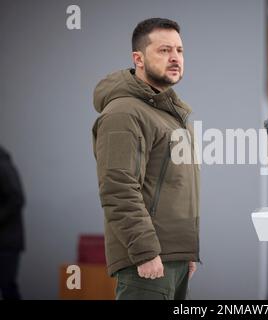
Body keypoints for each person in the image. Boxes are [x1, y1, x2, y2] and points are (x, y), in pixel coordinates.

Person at [92, 18, 200, 300]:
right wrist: (145, 252)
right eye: (164, 50)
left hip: (172, 258)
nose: (175, 57)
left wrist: (184, 249)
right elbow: (118, 189)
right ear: (138, 59)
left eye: (179, 50)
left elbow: (175, 190)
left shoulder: (170, 115)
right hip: (146, 261)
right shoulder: (124, 113)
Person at [0, 145, 25, 300]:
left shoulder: (2, 165)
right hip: (6, 240)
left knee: (7, 287)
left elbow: (17, 199)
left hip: (6, 242)